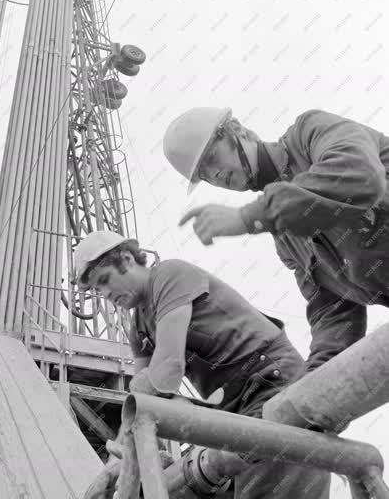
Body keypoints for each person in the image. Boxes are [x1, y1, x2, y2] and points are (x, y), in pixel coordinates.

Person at [77, 230, 330, 499]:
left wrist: (142, 387)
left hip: (270, 381)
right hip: (233, 410)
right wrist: (115, 464)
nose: (104, 293)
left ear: (127, 259)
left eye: (104, 280)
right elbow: (141, 407)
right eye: (97, 289)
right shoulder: (138, 328)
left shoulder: (169, 276)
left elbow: (168, 371)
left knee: (270, 487)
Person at [163, 107, 389, 372]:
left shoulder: (309, 133)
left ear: (238, 130)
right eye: (205, 174)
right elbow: (333, 311)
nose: (216, 175)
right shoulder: (286, 240)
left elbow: (360, 177)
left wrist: (249, 218)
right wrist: (312, 381)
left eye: (212, 158)